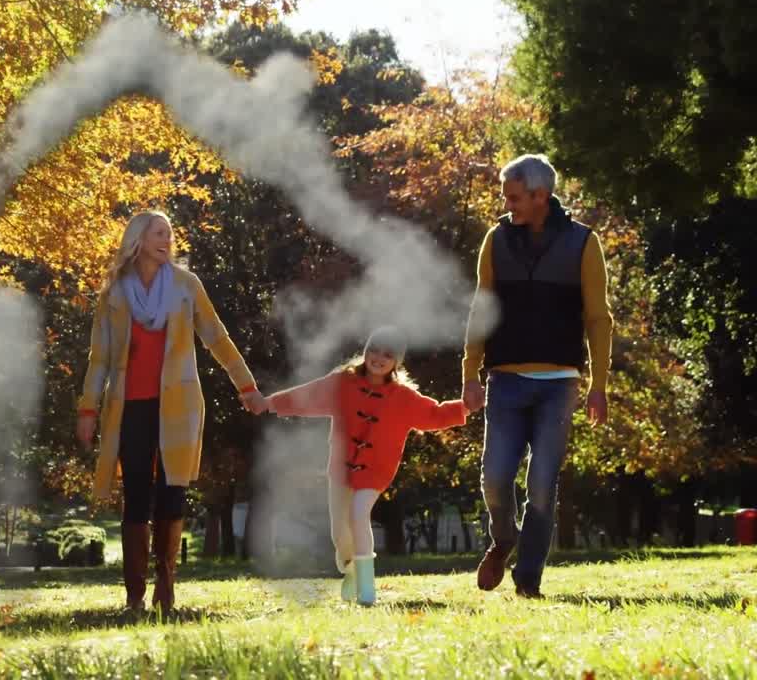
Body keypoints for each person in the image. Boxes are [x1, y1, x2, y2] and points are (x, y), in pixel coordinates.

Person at [76, 210, 265, 614]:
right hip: (130, 407)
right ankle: (133, 597)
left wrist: (246, 386)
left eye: (170, 234)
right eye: (159, 233)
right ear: (139, 239)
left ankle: (166, 587)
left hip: (179, 404)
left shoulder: (185, 286)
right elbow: (99, 358)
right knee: (137, 493)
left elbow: (217, 337)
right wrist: (88, 408)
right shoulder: (114, 294)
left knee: (173, 489)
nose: (167, 240)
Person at [462, 154, 614, 599]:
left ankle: (528, 578)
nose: (507, 204)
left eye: (513, 196)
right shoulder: (497, 239)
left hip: (559, 383)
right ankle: (503, 538)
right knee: (494, 477)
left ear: (539, 196)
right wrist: (470, 371)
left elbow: (598, 318)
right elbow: (481, 307)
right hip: (505, 380)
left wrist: (599, 385)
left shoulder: (584, 242)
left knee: (542, 485)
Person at [261, 326, 467, 605]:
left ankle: (367, 590)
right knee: (339, 534)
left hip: (377, 470)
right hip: (340, 467)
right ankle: (352, 571)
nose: (378, 358)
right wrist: (269, 403)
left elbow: (435, 414)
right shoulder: (343, 382)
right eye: (374, 350)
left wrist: (466, 406)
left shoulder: (403, 397)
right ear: (365, 351)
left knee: (359, 514)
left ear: (397, 361)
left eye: (387, 354)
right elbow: (307, 396)